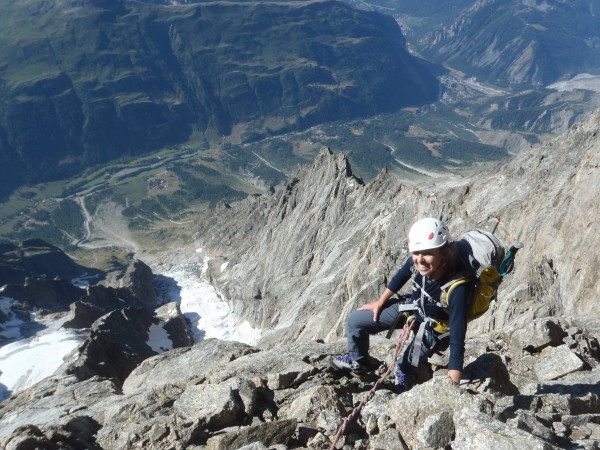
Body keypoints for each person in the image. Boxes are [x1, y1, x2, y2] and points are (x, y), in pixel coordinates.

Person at [329, 217, 473, 391]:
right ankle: (359, 363)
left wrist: (452, 387)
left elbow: (458, 339)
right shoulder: (419, 262)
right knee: (355, 321)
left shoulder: (458, 287)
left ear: (443, 252)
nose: (420, 260)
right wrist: (380, 302)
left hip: (433, 328)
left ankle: (406, 376)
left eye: (427, 253)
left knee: (405, 366)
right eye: (416, 252)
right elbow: (401, 276)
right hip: (412, 308)